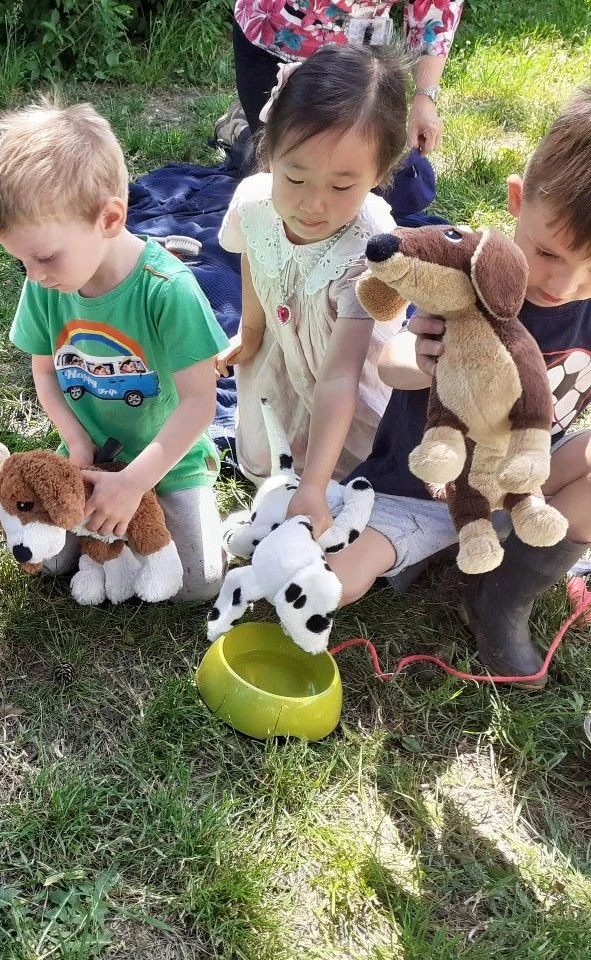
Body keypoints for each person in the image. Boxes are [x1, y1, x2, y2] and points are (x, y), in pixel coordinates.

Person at [326, 87, 591, 687]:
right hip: (428, 488)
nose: (563, 282)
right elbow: (390, 360)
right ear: (518, 201)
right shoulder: (473, 273)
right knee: (345, 575)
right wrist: (419, 358)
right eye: (547, 252)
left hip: (522, 481)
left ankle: (500, 598)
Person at [0, 99, 230, 601]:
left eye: (45, 257)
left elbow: (200, 403)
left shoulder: (167, 291)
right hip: (89, 458)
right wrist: (75, 442)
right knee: (50, 562)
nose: (34, 276)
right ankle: (118, 543)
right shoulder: (46, 284)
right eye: (22, 263)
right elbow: (46, 373)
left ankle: (148, 526)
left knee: (199, 584)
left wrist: (136, 482)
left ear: (109, 218)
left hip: (167, 460)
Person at [218, 44, 410, 537]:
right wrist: (251, 327)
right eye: (296, 176)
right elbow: (253, 255)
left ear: (378, 177)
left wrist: (315, 486)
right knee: (266, 453)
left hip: (344, 379)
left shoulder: (368, 249)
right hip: (286, 351)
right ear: (269, 153)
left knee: (345, 481)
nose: (313, 203)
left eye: (342, 186)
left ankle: (321, 475)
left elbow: (340, 377)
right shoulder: (255, 203)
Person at [232, 1, 463, 155]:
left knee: (362, 177)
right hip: (273, 37)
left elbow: (436, 8)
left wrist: (424, 98)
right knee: (282, 168)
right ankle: (239, 132)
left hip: (362, 47)